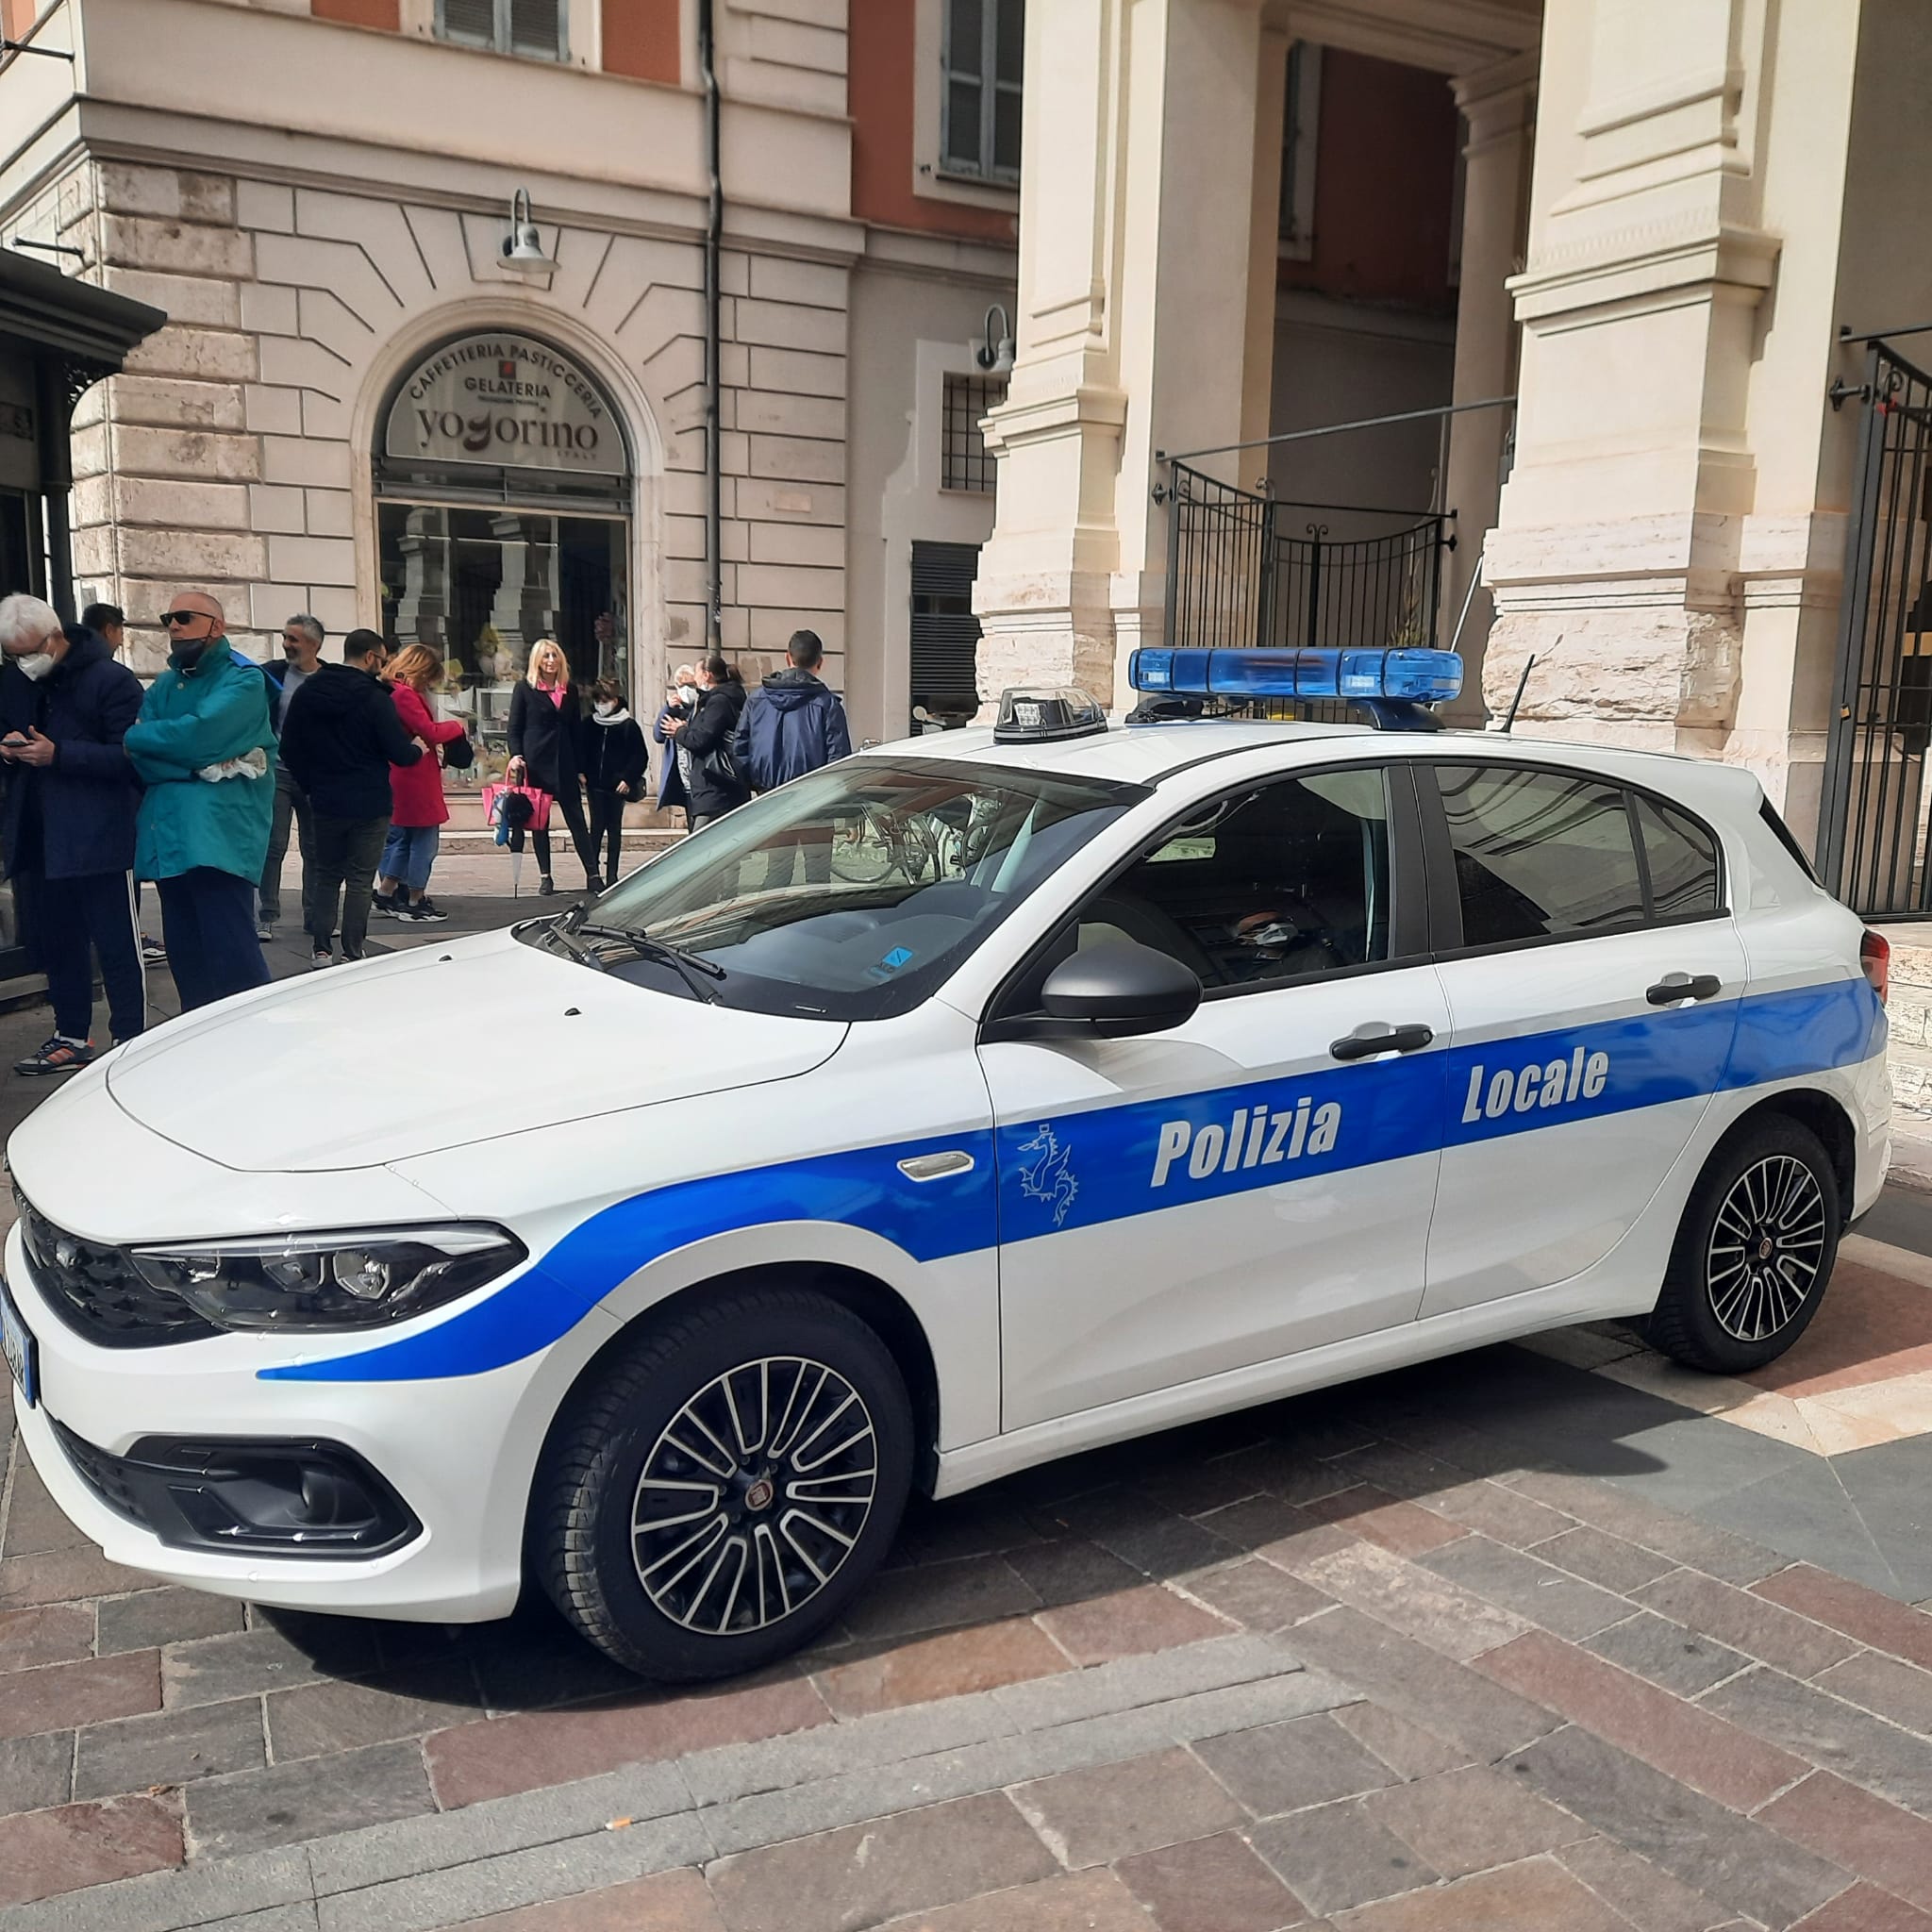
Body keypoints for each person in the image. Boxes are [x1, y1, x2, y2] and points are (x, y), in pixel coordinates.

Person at [0, 595, 144, 1074]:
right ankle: (70, 1034)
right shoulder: (18, 680)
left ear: (55, 636)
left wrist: (59, 755)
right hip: (41, 834)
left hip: (99, 834)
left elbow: (133, 757)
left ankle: (130, 1039)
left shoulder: (111, 680)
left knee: (116, 943)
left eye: (28, 651)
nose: (23, 662)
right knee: (59, 942)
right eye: (12, 654)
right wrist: (7, 749)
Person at [124, 591, 276, 1010]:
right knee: (187, 961)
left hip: (219, 839)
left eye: (185, 617)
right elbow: (142, 755)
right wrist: (193, 766)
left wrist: (154, 745)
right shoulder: (165, 685)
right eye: (168, 617)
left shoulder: (244, 680)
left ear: (217, 626)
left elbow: (199, 736)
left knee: (233, 958)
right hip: (167, 836)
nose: (174, 625)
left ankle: (257, 1044)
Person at [277, 627, 423, 969]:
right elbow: (399, 753)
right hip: (369, 801)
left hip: (326, 799)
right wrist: (417, 748)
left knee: (326, 874)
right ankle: (354, 950)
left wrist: (310, 785)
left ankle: (321, 948)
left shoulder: (309, 691)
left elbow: (289, 749)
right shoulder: (375, 698)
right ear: (371, 656)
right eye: (382, 659)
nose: (383, 666)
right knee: (360, 878)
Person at [373, 643, 466, 924]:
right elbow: (429, 731)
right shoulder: (406, 696)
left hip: (404, 774)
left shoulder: (394, 691)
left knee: (404, 839)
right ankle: (415, 899)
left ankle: (387, 891)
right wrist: (457, 728)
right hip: (415, 776)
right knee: (424, 842)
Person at [507, 638, 598, 893]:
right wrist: (516, 755)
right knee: (539, 823)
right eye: (546, 656)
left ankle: (592, 873)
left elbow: (576, 730)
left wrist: (581, 767)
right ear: (537, 660)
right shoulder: (524, 689)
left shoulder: (569, 689)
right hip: (536, 762)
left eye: (555, 656)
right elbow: (514, 728)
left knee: (577, 820)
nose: (550, 661)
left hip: (565, 762)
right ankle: (545, 876)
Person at [256, 613, 323, 943]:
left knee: (315, 848)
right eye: (285, 637)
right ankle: (267, 916)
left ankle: (315, 918)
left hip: (314, 775)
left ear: (314, 644)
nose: (286, 644)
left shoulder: (329, 679)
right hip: (278, 770)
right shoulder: (272, 673)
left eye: (293, 639)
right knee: (274, 845)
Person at [733, 629, 852, 792]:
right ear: (820, 663)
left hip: (765, 794)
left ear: (788, 657)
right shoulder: (827, 704)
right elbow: (838, 760)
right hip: (811, 796)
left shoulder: (756, 699)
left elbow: (740, 747)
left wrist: (754, 781)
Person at [664, 654, 749, 831]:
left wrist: (679, 731)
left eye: (696, 672)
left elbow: (701, 739)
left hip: (716, 789)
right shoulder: (714, 700)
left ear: (707, 675)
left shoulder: (719, 701)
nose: (694, 678)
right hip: (713, 789)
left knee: (699, 847)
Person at [582, 676, 647, 887]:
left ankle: (612, 874)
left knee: (614, 829)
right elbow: (580, 750)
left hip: (617, 786)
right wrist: (580, 771)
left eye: (605, 700)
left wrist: (628, 778)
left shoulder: (628, 726)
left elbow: (640, 756)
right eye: (598, 701)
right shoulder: (589, 724)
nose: (601, 705)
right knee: (596, 829)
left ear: (615, 700)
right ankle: (593, 875)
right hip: (594, 785)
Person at [653, 664, 696, 824]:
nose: (686, 689)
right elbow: (658, 735)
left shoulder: (700, 707)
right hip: (682, 776)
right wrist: (668, 708)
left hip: (698, 776)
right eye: (682, 685)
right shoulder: (673, 709)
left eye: (690, 685)